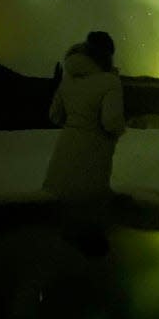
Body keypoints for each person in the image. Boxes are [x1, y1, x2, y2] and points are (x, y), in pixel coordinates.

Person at [42, 31, 125, 253]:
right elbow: (111, 122)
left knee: (64, 228)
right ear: (107, 54)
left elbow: (54, 116)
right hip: (92, 157)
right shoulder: (110, 82)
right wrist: (119, 130)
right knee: (89, 221)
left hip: (63, 154)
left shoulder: (67, 78)